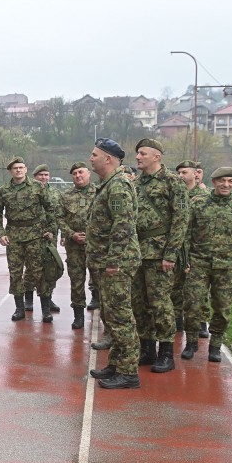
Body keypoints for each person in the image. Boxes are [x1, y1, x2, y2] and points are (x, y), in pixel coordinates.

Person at [86, 138, 142, 389]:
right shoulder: (108, 184)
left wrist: (114, 261)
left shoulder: (118, 186)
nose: (91, 159)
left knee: (121, 317)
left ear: (108, 159)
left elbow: (123, 225)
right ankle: (116, 364)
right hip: (106, 262)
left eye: (95, 155)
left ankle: (128, 372)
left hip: (116, 264)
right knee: (111, 315)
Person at [181, 167, 232, 362]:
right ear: (214, 182)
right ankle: (192, 342)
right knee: (193, 305)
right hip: (198, 263)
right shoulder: (198, 202)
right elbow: (186, 234)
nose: (225, 185)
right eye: (221, 181)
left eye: (230, 181)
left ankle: (215, 345)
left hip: (227, 265)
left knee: (222, 307)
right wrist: (185, 259)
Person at [132, 138, 188, 373]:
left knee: (160, 303)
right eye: (137, 153)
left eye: (142, 153)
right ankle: (147, 348)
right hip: (138, 252)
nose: (137, 157)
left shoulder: (173, 182)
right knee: (139, 302)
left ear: (156, 156)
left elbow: (181, 219)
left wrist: (171, 254)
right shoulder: (136, 183)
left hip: (160, 253)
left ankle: (166, 351)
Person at [0, 157, 56, 322]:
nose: (18, 170)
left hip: (35, 236)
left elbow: (50, 208)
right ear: (10, 171)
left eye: (21, 167)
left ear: (26, 169)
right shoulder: (4, 190)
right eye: (15, 168)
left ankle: (46, 310)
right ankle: (19, 309)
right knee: (15, 273)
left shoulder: (37, 187)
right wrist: (0, 233)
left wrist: (50, 229)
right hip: (13, 237)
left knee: (39, 273)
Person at [172, 160, 210, 338]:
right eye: (178, 172)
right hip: (178, 247)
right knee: (175, 287)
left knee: (198, 290)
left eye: (184, 172)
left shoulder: (203, 196)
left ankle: (201, 322)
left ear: (195, 174)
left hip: (197, 250)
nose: (180, 176)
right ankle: (178, 320)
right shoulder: (175, 194)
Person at [58, 161, 97, 330]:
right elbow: (59, 218)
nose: (78, 176)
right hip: (74, 246)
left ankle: (101, 309)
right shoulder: (65, 196)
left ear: (89, 173)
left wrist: (92, 235)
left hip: (96, 244)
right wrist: (71, 234)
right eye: (74, 174)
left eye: (81, 172)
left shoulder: (100, 193)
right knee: (76, 280)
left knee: (99, 278)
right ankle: (78, 315)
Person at [24, 164, 62, 315]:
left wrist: (56, 232)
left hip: (51, 236)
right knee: (31, 268)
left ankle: (48, 297)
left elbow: (59, 214)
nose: (44, 178)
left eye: (46, 175)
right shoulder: (29, 192)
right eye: (41, 175)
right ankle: (28, 298)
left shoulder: (55, 193)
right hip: (33, 235)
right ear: (35, 177)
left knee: (50, 267)